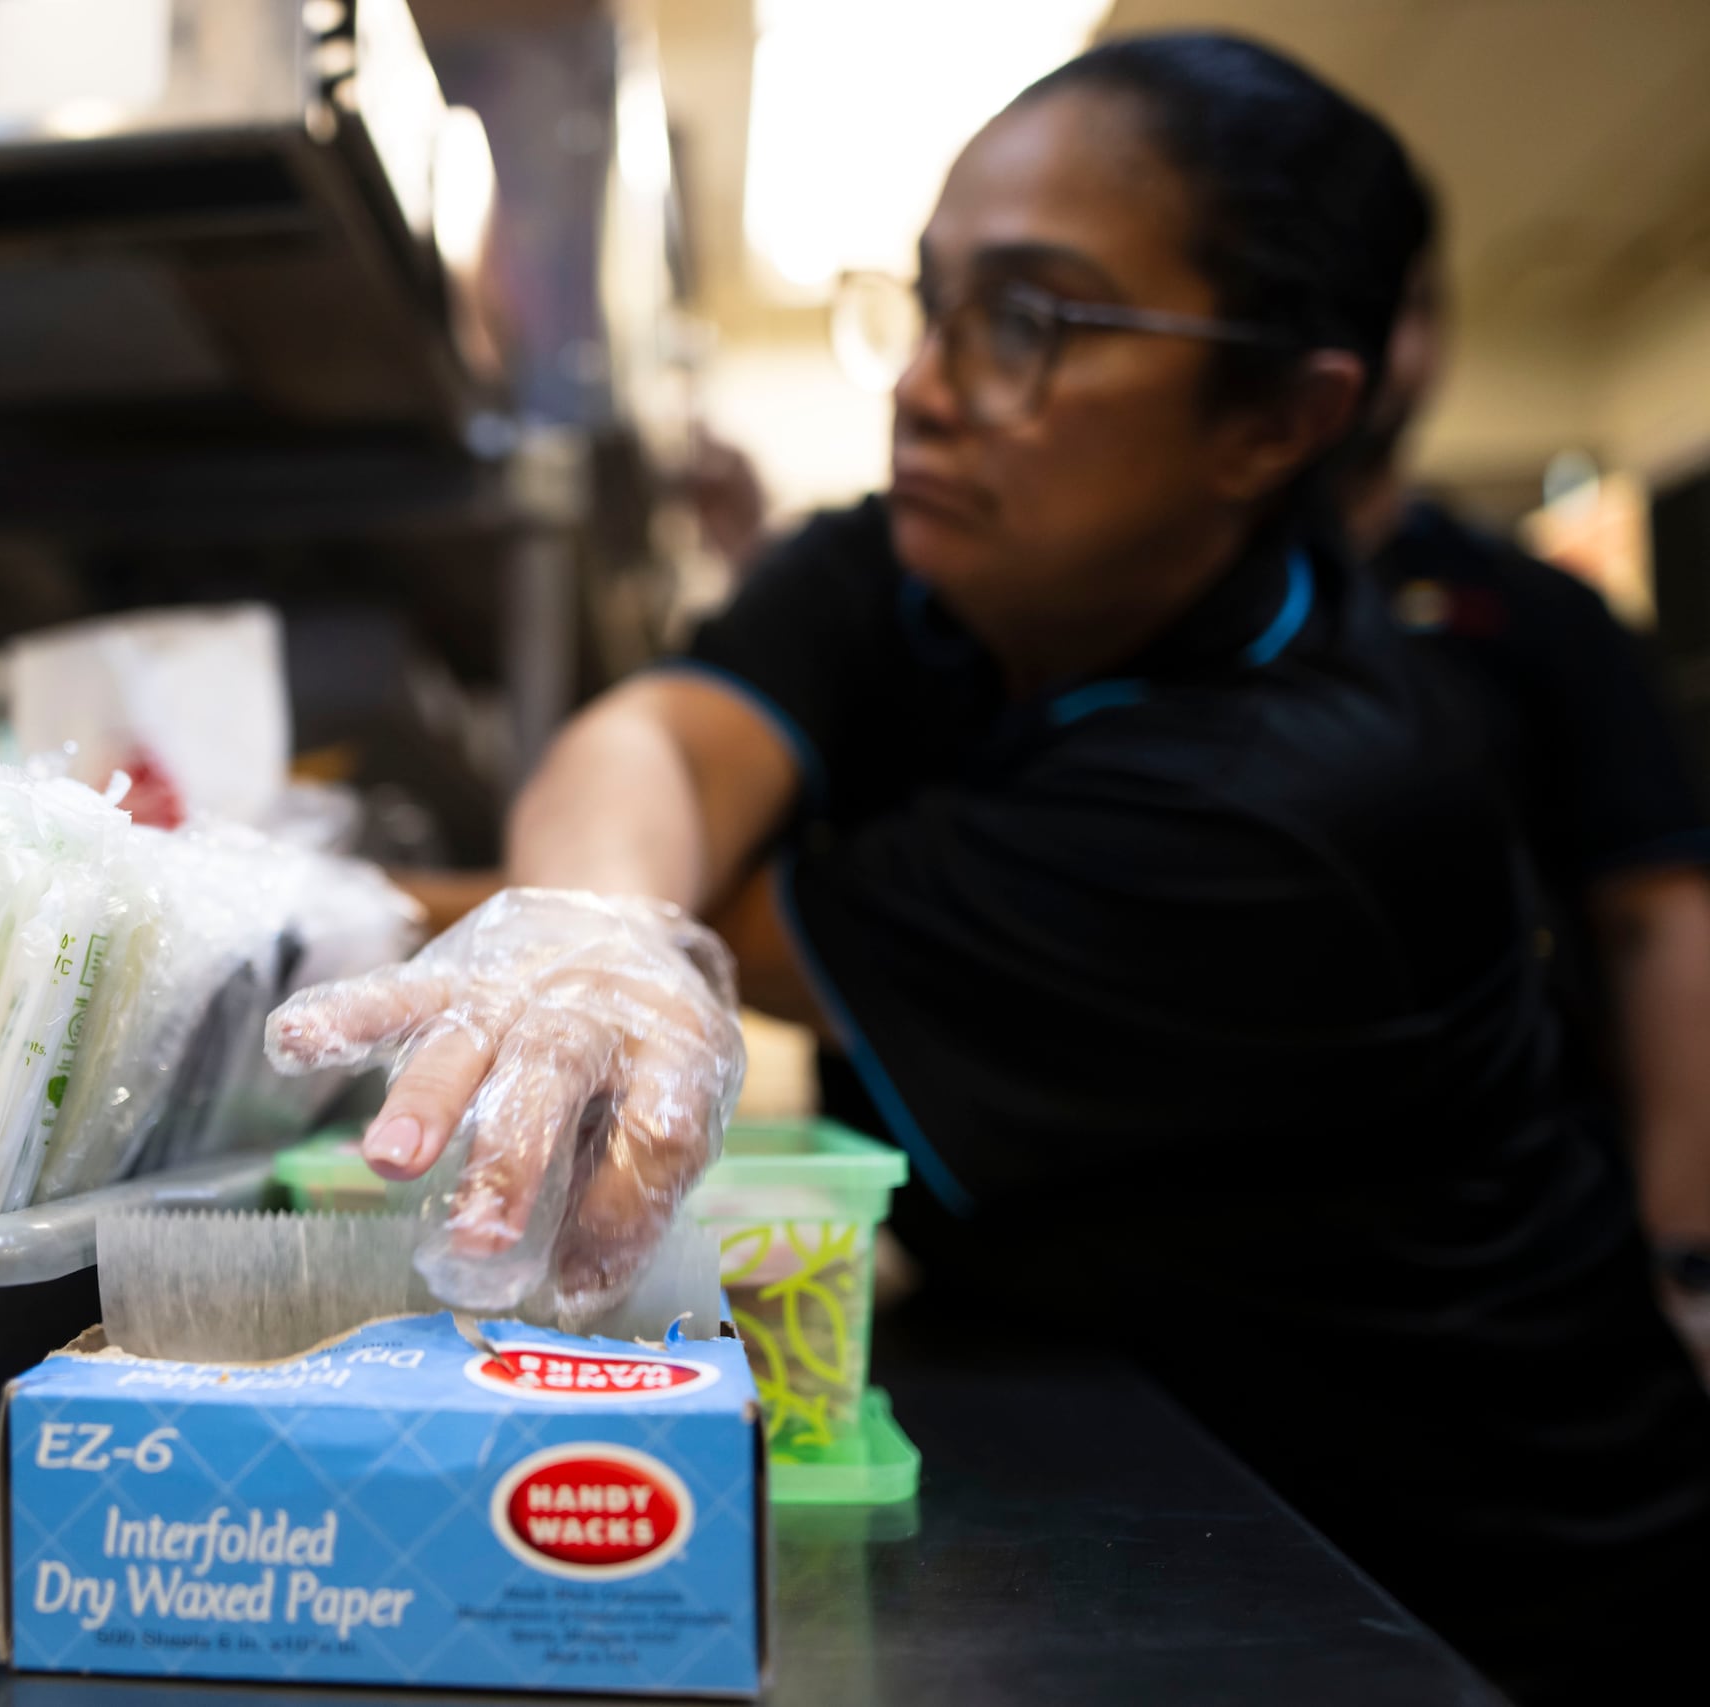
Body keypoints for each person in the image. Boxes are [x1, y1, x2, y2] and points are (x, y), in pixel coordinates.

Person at [271, 32, 1710, 1703]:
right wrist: (586, 922)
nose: (928, 384)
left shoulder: (1312, 804)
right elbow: (663, 741)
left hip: (1475, 1600)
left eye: (1032, 321)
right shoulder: (920, 565)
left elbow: (739, 921)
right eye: (933, 299)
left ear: (1277, 418)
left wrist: (358, 893)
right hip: (1170, 1488)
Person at [1338, 237, 1710, 1297]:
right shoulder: (1163, 611)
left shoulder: (1536, 615)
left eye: (1401, 309)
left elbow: (1658, 916)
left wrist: (1681, 1249)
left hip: (1528, 1217)